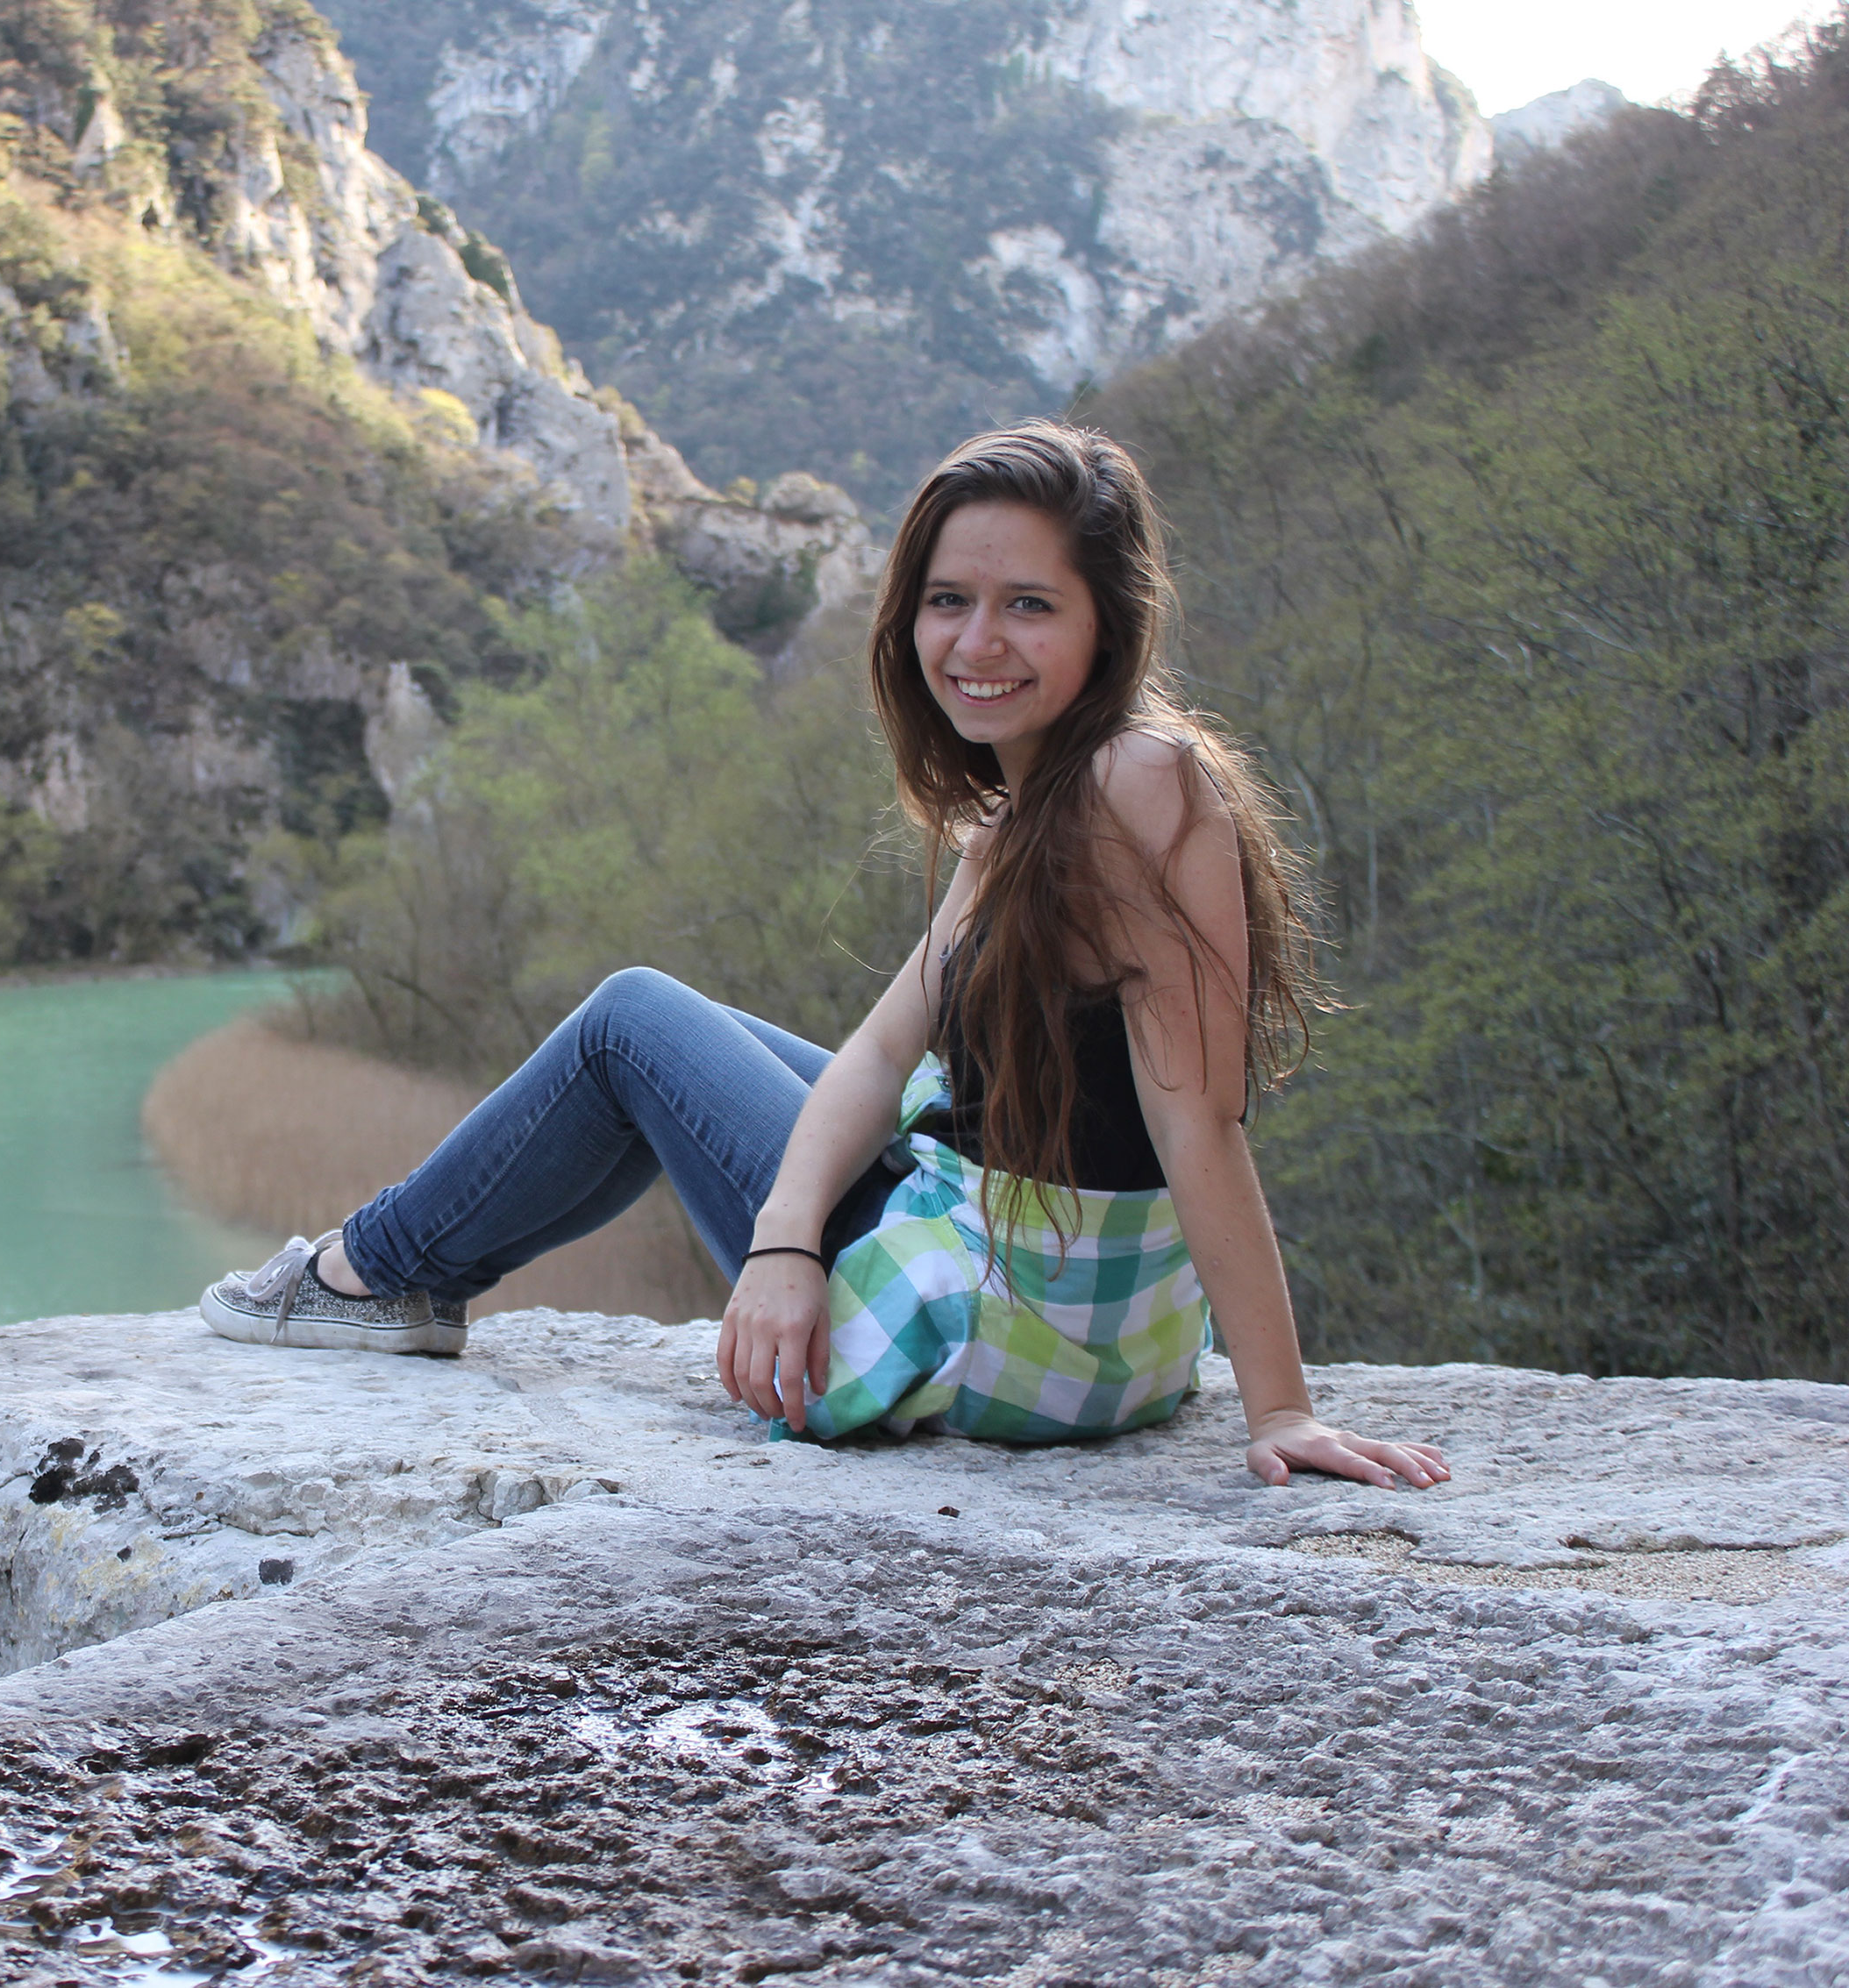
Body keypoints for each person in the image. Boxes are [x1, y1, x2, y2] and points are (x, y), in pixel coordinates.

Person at [200, 420, 1448, 1491]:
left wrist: (1280, 1408)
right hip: (1088, 1341)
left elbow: (1200, 1125)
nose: (976, 643)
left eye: (1028, 606)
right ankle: (407, 1279)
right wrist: (787, 1243)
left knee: (632, 1020)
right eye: (947, 602)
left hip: (985, 1324)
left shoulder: (1140, 783)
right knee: (710, 1049)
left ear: (1107, 627)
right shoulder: (1036, 817)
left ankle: (374, 1275)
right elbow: (874, 1055)